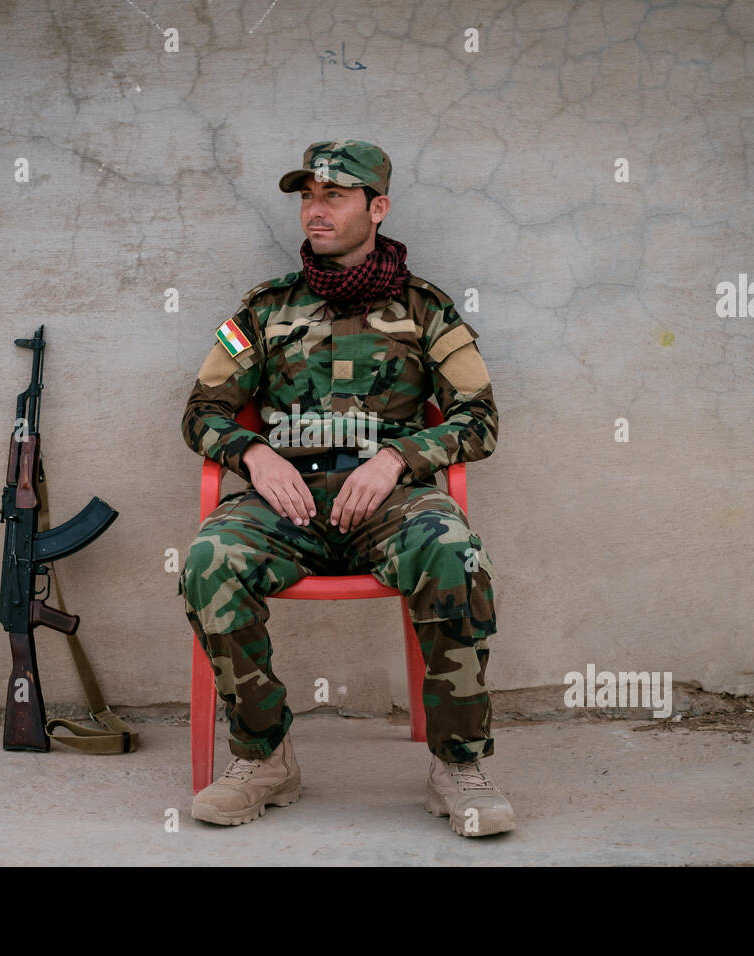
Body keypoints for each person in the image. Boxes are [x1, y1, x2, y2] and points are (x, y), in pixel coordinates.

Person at [178, 139, 513, 837]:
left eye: (334, 195)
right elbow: (202, 412)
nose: (314, 210)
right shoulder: (265, 310)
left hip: (389, 507)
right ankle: (264, 758)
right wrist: (255, 456)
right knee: (209, 560)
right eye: (307, 196)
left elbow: (478, 420)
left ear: (377, 207)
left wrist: (398, 460)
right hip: (284, 506)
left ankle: (459, 765)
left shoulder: (426, 310)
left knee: (455, 552)